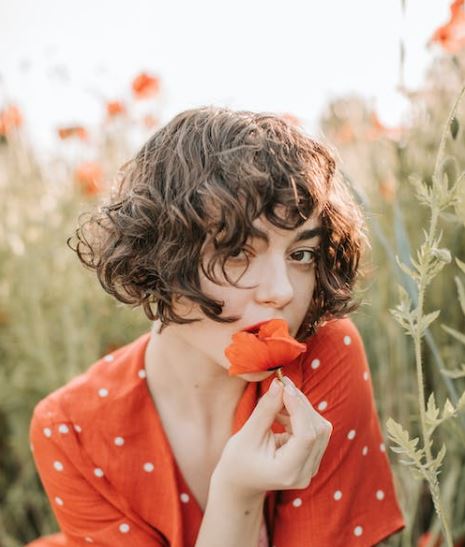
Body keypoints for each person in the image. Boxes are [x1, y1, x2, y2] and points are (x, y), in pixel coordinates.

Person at [28, 106, 405, 546]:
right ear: (159, 258)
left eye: (301, 254)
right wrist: (237, 495)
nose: (281, 291)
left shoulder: (323, 356)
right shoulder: (71, 429)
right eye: (237, 252)